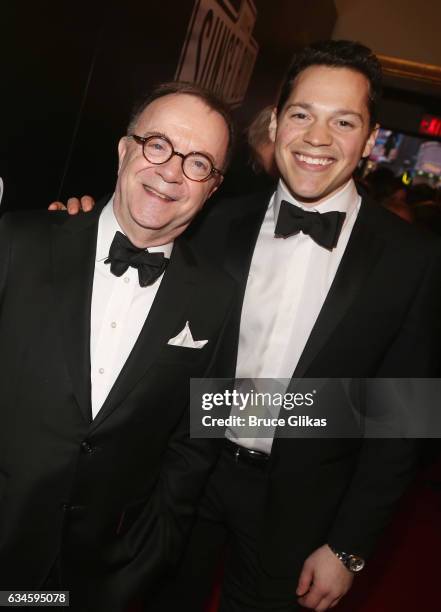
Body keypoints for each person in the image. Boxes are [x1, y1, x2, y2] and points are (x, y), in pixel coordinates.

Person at [51, 41, 441, 612]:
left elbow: (402, 417)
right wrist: (80, 228)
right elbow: (135, 250)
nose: (316, 138)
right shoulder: (213, 218)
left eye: (344, 121)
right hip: (185, 483)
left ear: (370, 136)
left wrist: (350, 547)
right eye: (303, 114)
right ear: (278, 121)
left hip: (307, 509)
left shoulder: (414, 259)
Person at [0, 81, 237, 612]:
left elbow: (195, 442)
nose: (172, 171)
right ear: (125, 147)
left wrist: (151, 553)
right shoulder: (20, 242)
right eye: (158, 145)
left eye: (199, 163)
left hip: (96, 575)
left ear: (213, 187)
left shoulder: (220, 300)